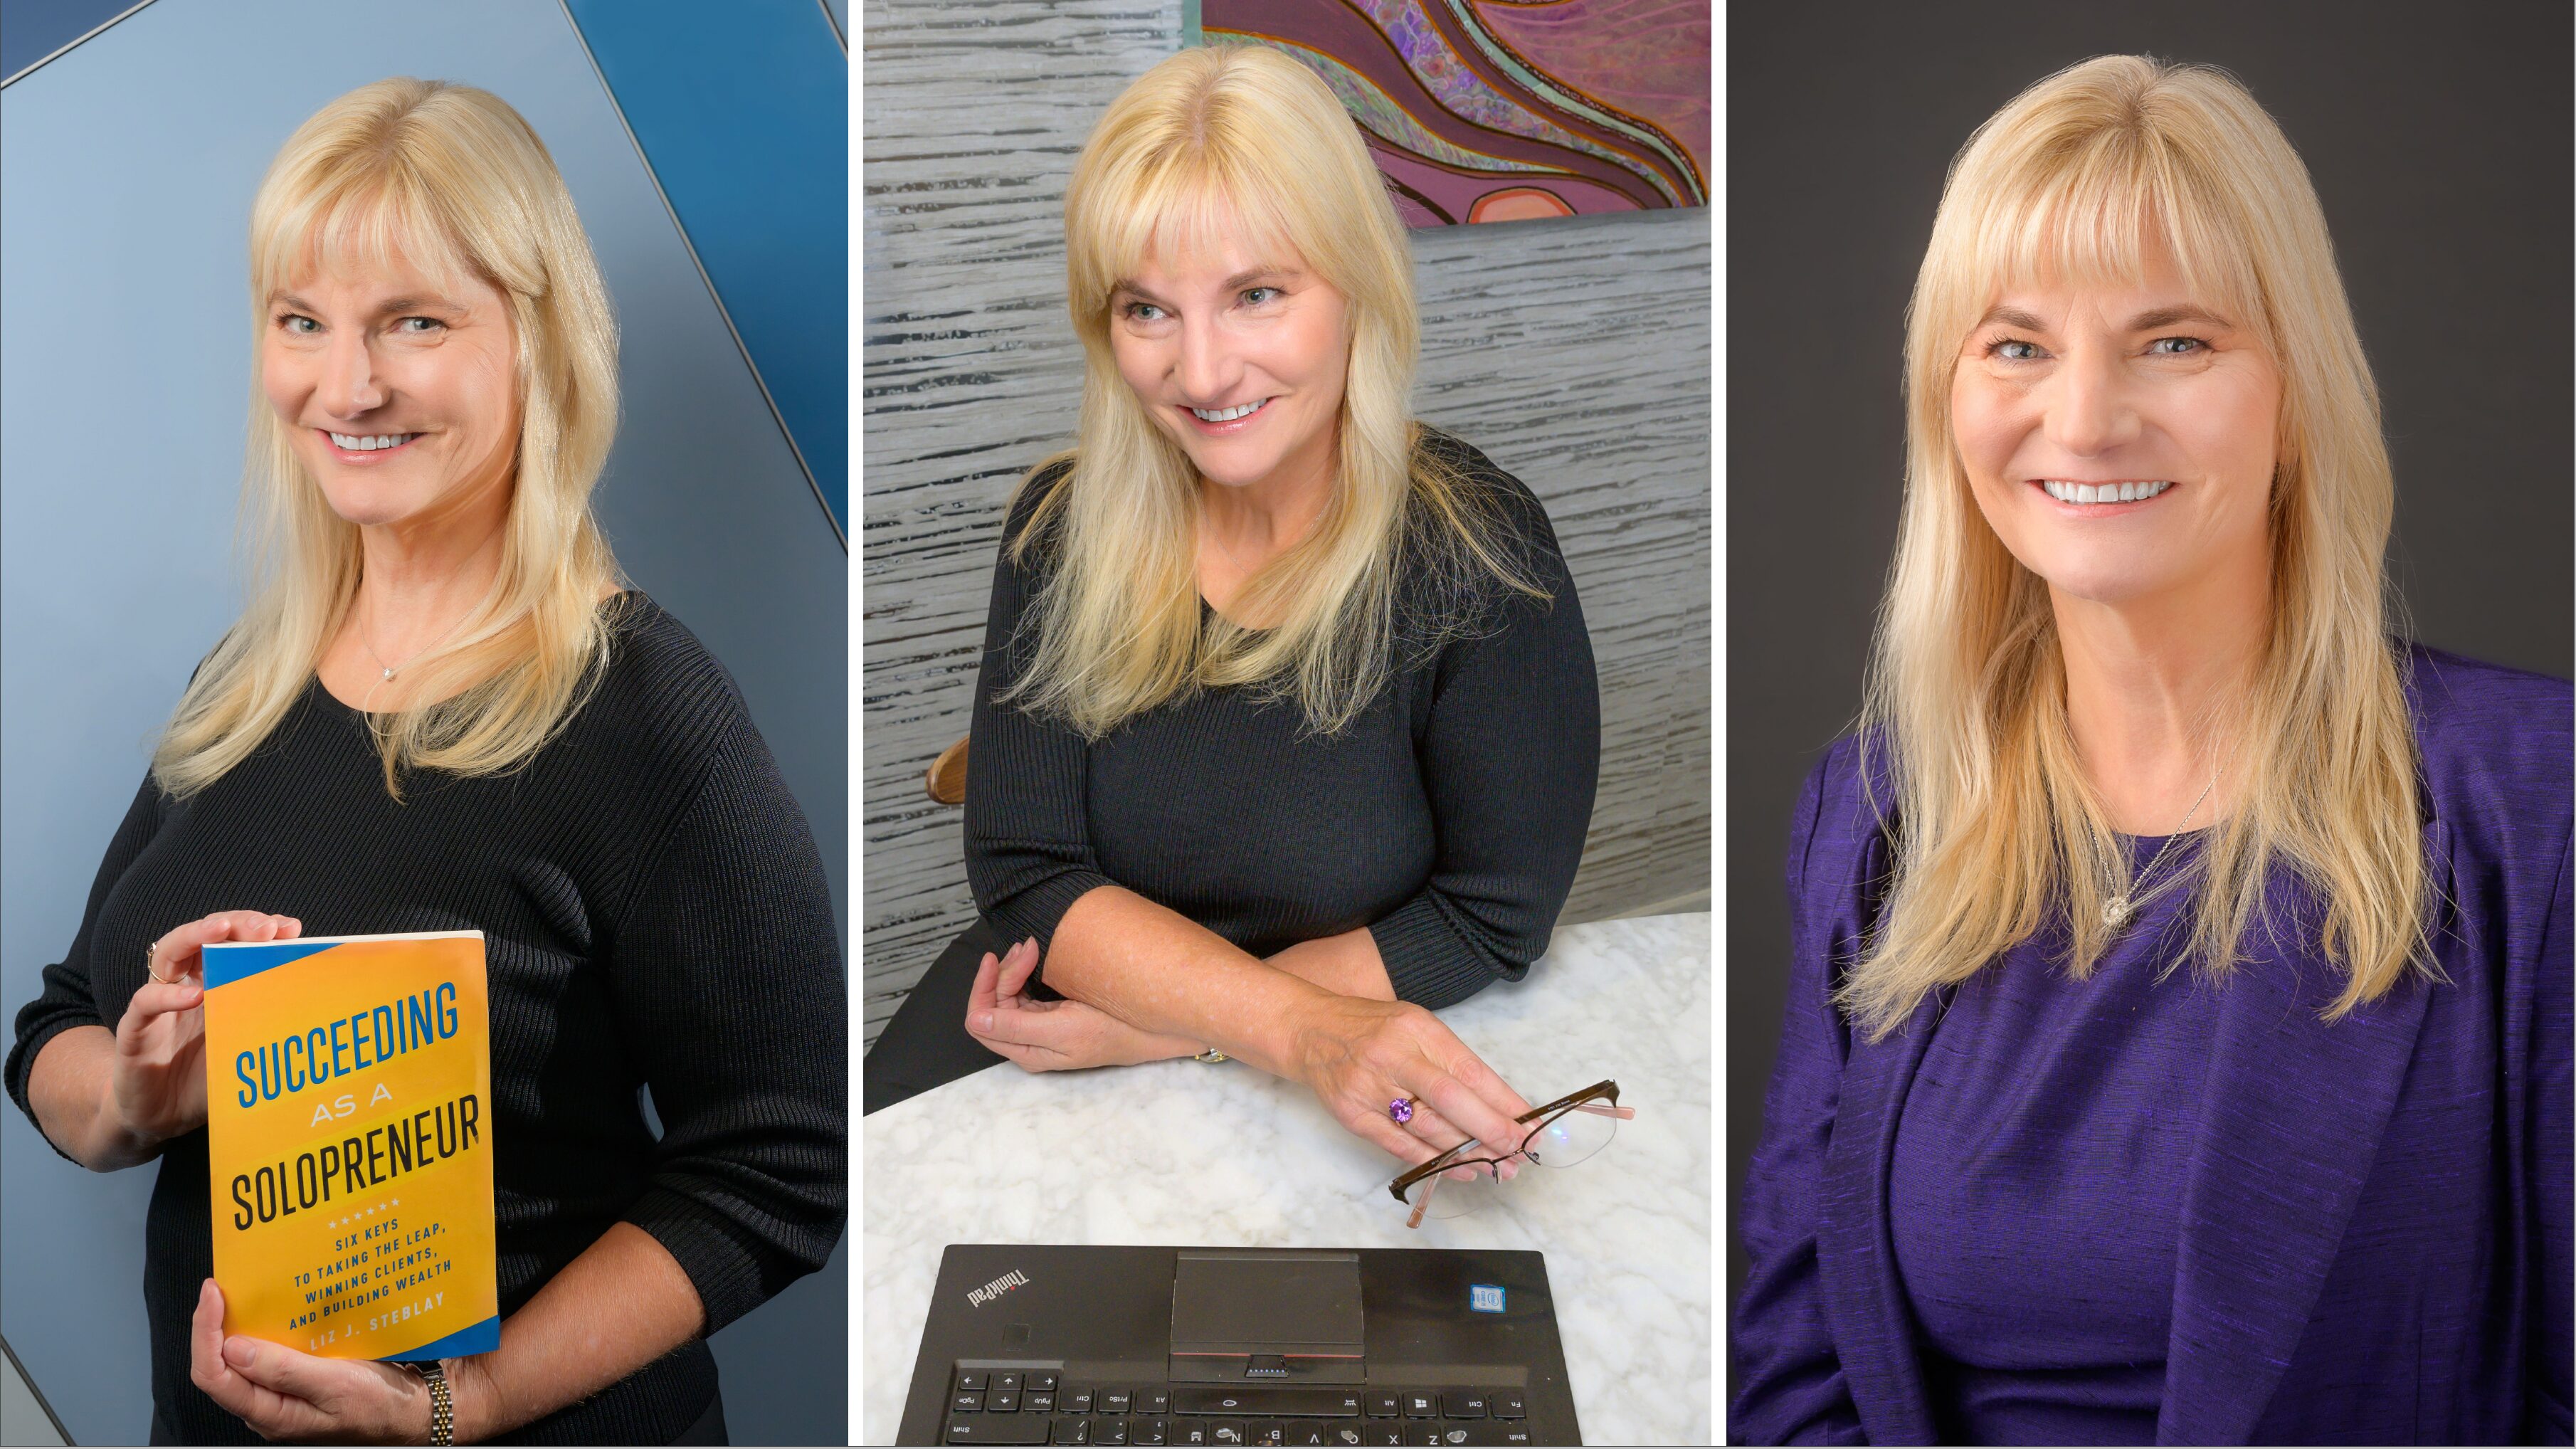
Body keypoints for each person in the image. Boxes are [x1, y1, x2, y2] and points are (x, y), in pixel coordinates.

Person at [1731, 56, 2570, 1446]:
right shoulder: (1874, 810)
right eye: (2015, 344)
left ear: (2293, 389)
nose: (2083, 417)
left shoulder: (2537, 806)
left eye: (2173, 340)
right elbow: (1794, 1358)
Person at [4, 79, 844, 1445]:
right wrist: (128, 1099)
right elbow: (56, 1021)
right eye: (303, 323)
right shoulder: (248, 679)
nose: (348, 385)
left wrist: (458, 1405)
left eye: (414, 322)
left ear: (537, 340)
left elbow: (782, 1166)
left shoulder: (638, 710)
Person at [861, 44, 1601, 1184]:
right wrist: (1269, 1028)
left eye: (1257, 294)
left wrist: (1180, 1031)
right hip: (1065, 1021)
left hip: (1214, 1029)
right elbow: (1028, 870)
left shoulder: (1478, 551)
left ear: (1355, 282)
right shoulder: (1060, 528)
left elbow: (1490, 915)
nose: (1202, 373)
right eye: (1148, 310)